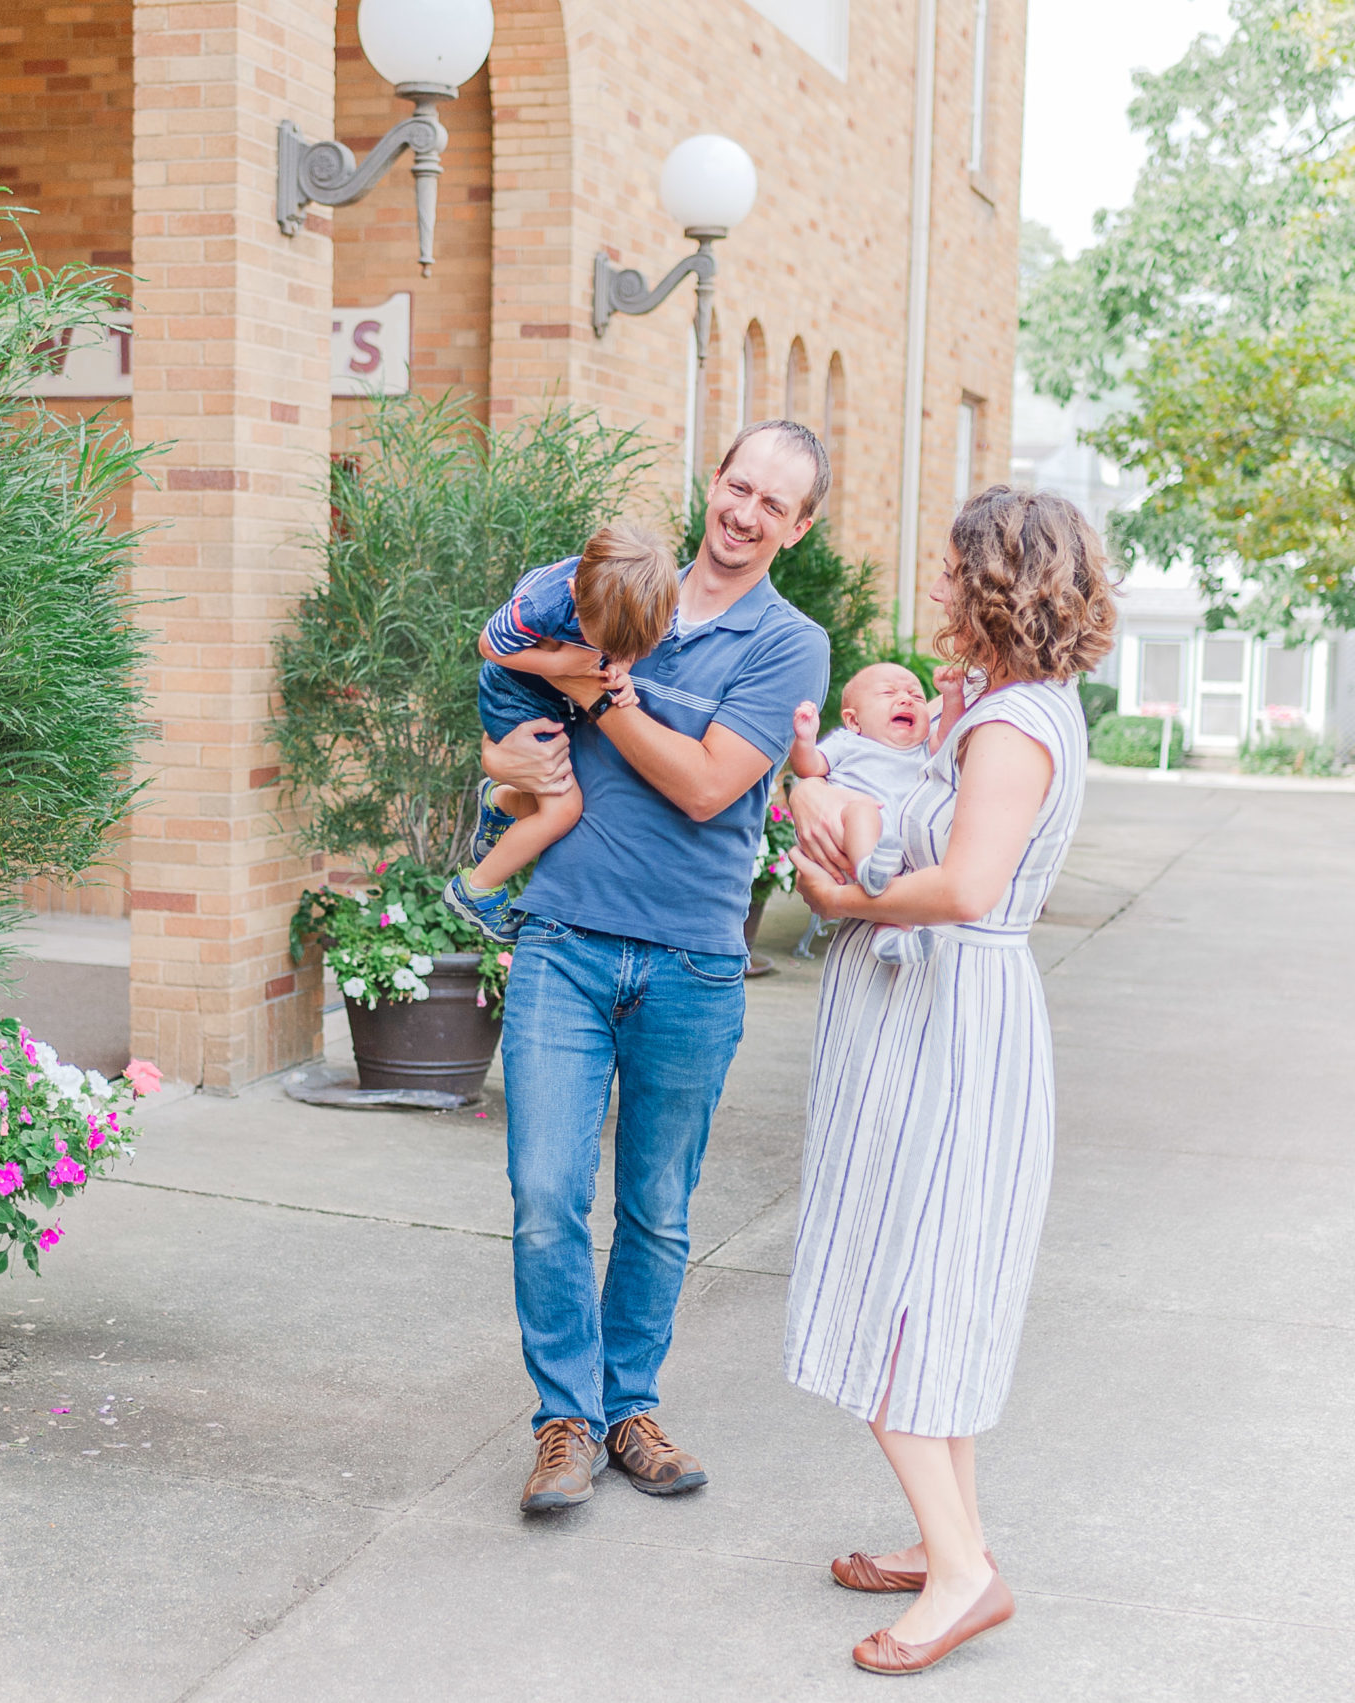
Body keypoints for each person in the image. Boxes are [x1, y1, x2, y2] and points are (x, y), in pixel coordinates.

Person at [781, 486, 1118, 1675]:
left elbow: (968, 885)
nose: (934, 593)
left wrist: (843, 897)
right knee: (932, 1288)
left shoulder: (1013, 725)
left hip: (949, 1018)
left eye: (951, 575)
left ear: (996, 588)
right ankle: (946, 1537)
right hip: (926, 1013)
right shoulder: (993, 709)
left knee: (902, 1290)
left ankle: (965, 1574)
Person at [480, 421, 833, 1514]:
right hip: (566, 941)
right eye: (737, 486)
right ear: (710, 481)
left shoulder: (789, 645)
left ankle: (630, 1406)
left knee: (656, 1206)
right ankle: (563, 1422)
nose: (744, 513)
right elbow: (507, 723)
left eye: (774, 504)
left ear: (800, 525)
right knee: (545, 1193)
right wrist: (504, 761)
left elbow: (703, 786)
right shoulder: (615, 592)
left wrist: (599, 693)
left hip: (691, 960)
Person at [444, 521, 681, 941]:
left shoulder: (655, 604)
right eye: (603, 641)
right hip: (514, 691)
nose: (609, 651)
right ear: (575, 594)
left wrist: (620, 670)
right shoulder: (543, 603)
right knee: (563, 810)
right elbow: (490, 646)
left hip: (558, 699)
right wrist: (561, 666)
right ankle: (476, 890)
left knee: (547, 807)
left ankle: (500, 801)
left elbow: (631, 648)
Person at [785, 661, 946, 898]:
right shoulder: (848, 742)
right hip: (846, 843)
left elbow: (945, 737)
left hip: (894, 858)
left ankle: (887, 924)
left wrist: (952, 698)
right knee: (863, 808)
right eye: (888, 693)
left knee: (891, 916)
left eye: (917, 696)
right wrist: (805, 741)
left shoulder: (924, 748)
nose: (906, 700)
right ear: (854, 721)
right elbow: (808, 768)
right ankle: (866, 871)